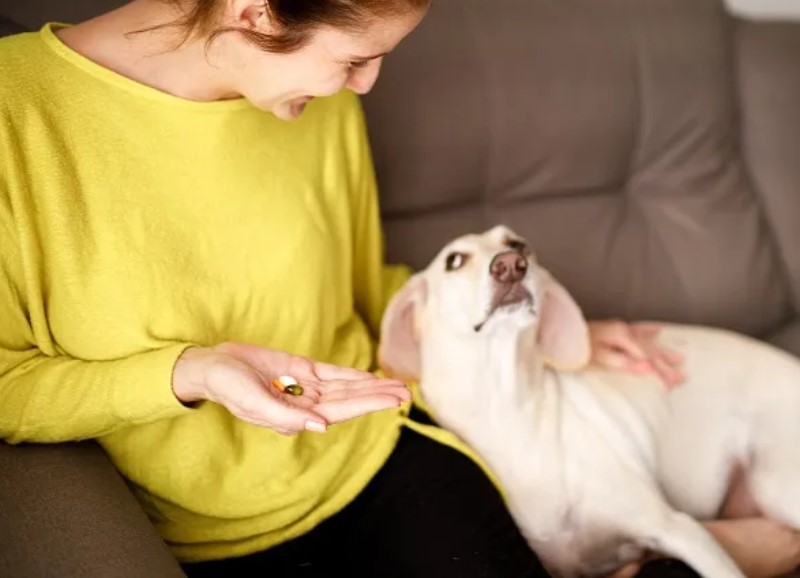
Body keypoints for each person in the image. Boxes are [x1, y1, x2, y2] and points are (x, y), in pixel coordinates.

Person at [0, 1, 796, 577]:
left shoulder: (311, 106)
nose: (368, 84)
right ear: (253, 13)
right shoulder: (18, 119)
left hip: (382, 450)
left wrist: (558, 320)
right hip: (206, 523)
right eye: (354, 57)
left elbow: (355, 285)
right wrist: (189, 373)